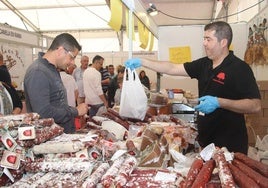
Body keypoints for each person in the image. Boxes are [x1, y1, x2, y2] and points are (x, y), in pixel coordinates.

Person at [125, 21, 261, 154]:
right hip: (206, 142)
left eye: (208, 39)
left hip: (231, 145)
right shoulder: (204, 64)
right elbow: (172, 67)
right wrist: (143, 62)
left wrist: (219, 102)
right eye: (204, 39)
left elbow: (255, 105)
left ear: (223, 42)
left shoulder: (240, 68)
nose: (204, 43)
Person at [24, 33, 88, 133]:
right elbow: (42, 113)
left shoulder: (51, 69)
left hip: (61, 137)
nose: (73, 62)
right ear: (60, 51)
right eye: (72, 57)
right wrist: (75, 111)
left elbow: (57, 104)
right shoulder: (38, 72)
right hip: (51, 142)